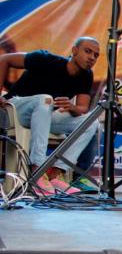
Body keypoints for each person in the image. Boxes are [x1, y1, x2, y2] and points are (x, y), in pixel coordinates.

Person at [0, 37, 100, 195]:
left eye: (96, 55)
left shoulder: (86, 75)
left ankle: (55, 173)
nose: (91, 58)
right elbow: (5, 59)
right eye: (87, 51)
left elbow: (82, 107)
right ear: (74, 50)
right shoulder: (44, 59)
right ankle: (37, 170)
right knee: (45, 99)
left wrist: (72, 107)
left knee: (91, 123)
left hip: (44, 114)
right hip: (16, 109)